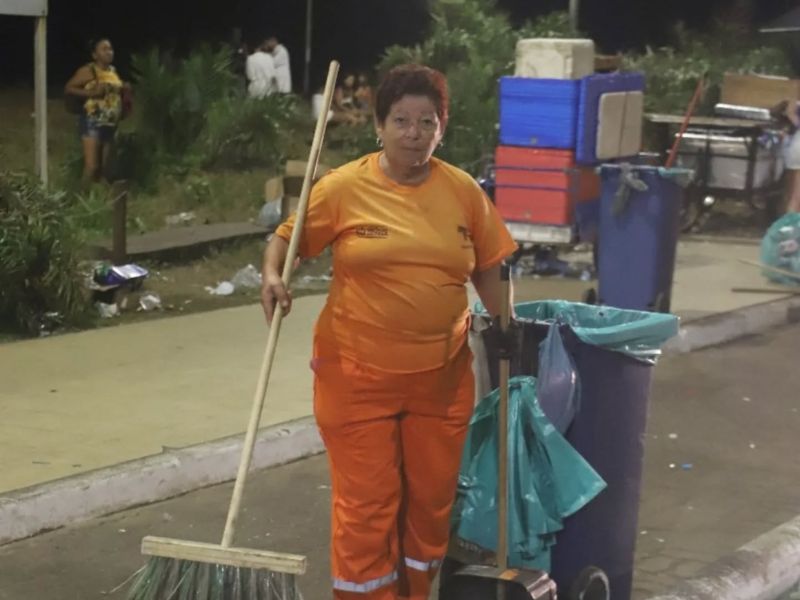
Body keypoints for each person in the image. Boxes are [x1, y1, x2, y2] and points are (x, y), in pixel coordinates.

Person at [261, 64, 517, 600]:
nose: (414, 133)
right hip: (356, 378)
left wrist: (506, 326)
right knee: (368, 508)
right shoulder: (344, 187)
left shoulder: (463, 192)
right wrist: (272, 275)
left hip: (441, 381)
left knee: (430, 506)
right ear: (378, 125)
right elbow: (287, 240)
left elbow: (491, 266)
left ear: (442, 128)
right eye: (401, 120)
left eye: (427, 122)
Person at [65, 38, 125, 185]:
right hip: (92, 121)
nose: (109, 52)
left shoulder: (113, 71)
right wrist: (92, 93)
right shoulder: (89, 71)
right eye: (104, 49)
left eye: (110, 49)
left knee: (104, 170)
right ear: (94, 55)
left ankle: (100, 197)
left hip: (110, 123)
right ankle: (80, 196)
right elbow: (69, 88)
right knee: (92, 167)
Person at [782, 100, 800, 213]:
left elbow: (790, 112)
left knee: (794, 193)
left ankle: (791, 218)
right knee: (796, 194)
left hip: (796, 149)